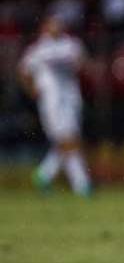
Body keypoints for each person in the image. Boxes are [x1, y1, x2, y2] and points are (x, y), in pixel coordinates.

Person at [18, 14, 92, 196]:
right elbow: (23, 71)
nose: (56, 26)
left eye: (59, 23)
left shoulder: (71, 45)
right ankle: (82, 185)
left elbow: (83, 63)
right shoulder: (38, 50)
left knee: (67, 141)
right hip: (51, 102)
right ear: (44, 27)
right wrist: (32, 89)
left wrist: (80, 64)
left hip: (72, 99)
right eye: (52, 23)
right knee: (68, 140)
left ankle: (44, 175)